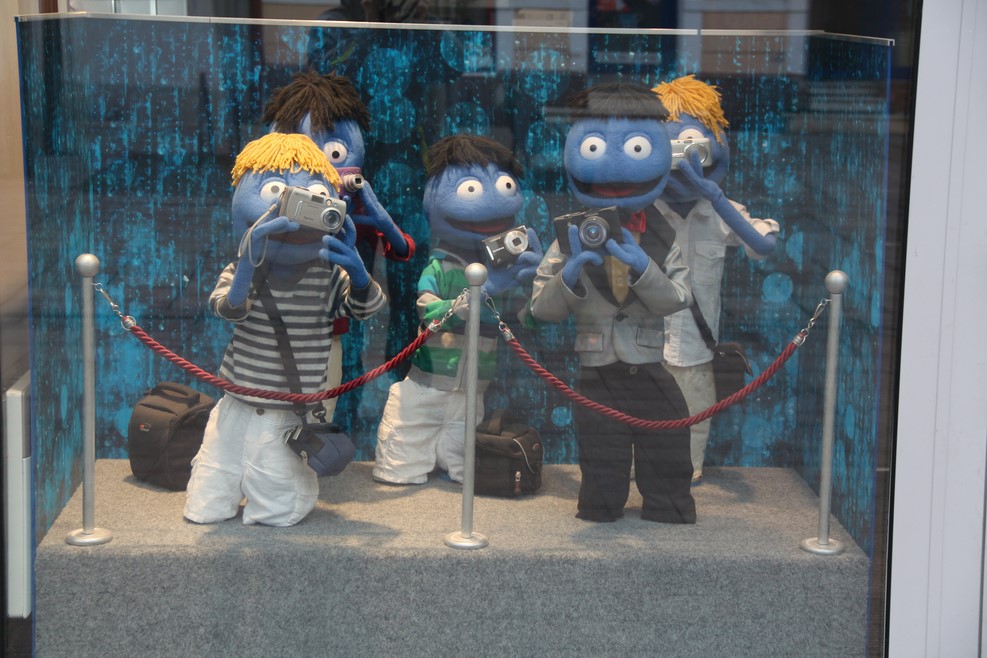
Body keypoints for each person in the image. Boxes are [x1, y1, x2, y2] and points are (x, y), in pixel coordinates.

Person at [183, 132, 386, 526]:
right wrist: (249, 258)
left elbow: (366, 309)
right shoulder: (243, 267)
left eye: (315, 196)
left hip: (288, 415)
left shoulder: (328, 275)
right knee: (206, 499)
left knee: (280, 509)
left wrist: (359, 273)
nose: (298, 210)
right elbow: (228, 309)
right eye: (278, 192)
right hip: (234, 405)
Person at [530, 82, 695, 523]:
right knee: (601, 448)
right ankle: (601, 507)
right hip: (597, 369)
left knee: (668, 442)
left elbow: (678, 298)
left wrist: (643, 266)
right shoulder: (568, 236)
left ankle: (668, 506)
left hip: (649, 364)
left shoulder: (662, 234)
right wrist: (569, 274)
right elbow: (541, 310)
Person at [373, 134, 542, 484]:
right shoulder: (438, 267)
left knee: (466, 471)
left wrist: (535, 282)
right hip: (427, 383)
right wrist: (479, 293)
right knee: (400, 465)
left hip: (474, 390)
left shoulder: (503, 270)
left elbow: (527, 319)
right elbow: (428, 312)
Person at [261, 71, 415, 420]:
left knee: (336, 384)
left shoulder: (352, 205)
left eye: (332, 152)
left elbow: (402, 249)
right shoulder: (273, 196)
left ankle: (340, 427)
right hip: (279, 318)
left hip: (339, 318)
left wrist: (378, 217)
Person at [653, 75, 780, 482]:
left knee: (696, 416)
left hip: (697, 346)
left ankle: (688, 474)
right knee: (645, 416)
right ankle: (644, 471)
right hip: (644, 345)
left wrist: (714, 195)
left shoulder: (720, 212)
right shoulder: (645, 212)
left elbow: (763, 245)